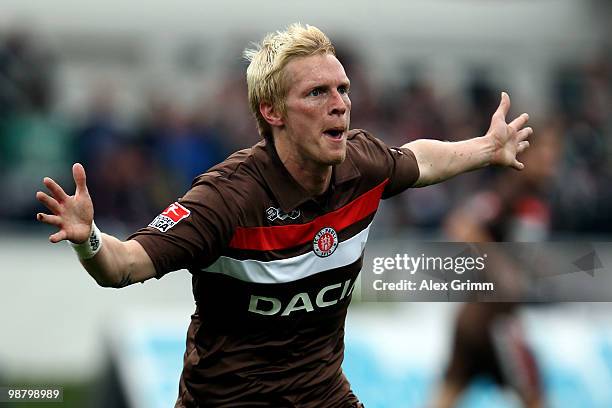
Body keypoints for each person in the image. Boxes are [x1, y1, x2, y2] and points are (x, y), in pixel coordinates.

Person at [36, 24, 533, 408]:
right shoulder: (225, 199)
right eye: (317, 93)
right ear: (272, 112)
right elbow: (124, 265)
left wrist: (487, 147)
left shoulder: (361, 165)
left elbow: (420, 160)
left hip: (322, 396)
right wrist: (89, 239)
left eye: (343, 89)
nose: (339, 105)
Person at [434, 123, 562, 408]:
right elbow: (461, 225)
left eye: (556, 152)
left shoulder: (535, 196)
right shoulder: (512, 191)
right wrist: (500, 266)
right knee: (535, 397)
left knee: (446, 396)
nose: (552, 159)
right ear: (527, 153)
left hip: (474, 318)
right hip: (495, 322)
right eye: (546, 151)